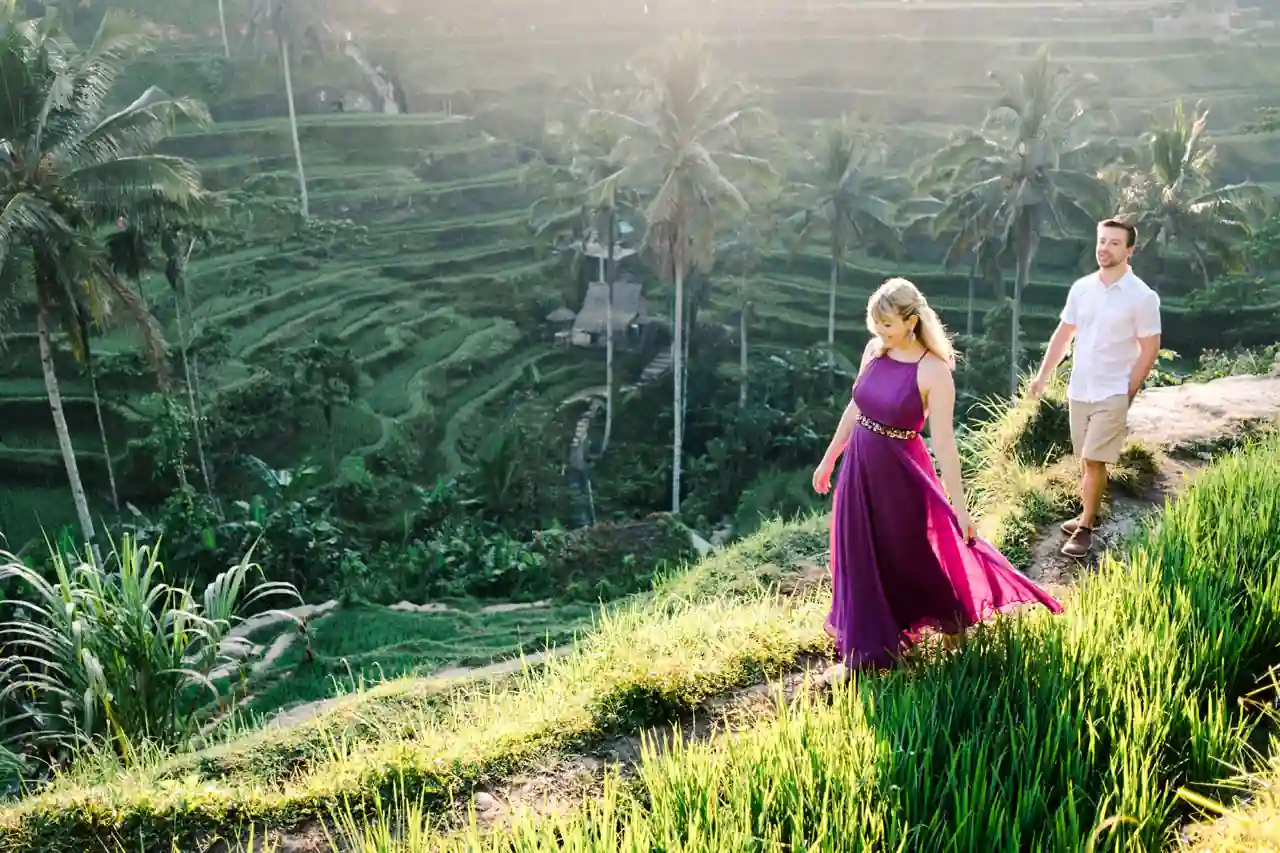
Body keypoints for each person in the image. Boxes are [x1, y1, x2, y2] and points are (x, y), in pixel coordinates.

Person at [812, 278, 1063, 673]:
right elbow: (855, 407)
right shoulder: (874, 351)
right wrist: (829, 459)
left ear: (912, 321)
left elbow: (944, 443)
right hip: (859, 466)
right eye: (875, 326)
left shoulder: (934, 371)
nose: (880, 334)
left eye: (888, 326)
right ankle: (877, 644)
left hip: (901, 473)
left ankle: (953, 624)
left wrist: (959, 509)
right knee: (859, 552)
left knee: (910, 554)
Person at [1028, 219, 1161, 559]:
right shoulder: (1082, 288)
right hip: (1080, 388)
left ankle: (1085, 527)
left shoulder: (1142, 297)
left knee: (1094, 459)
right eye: (1102, 241)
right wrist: (1043, 376)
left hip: (1112, 391)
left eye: (1115, 243)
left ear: (1130, 250)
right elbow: (1063, 334)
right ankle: (1090, 511)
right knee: (1086, 460)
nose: (1105, 248)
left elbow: (1149, 350)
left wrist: (1127, 392)